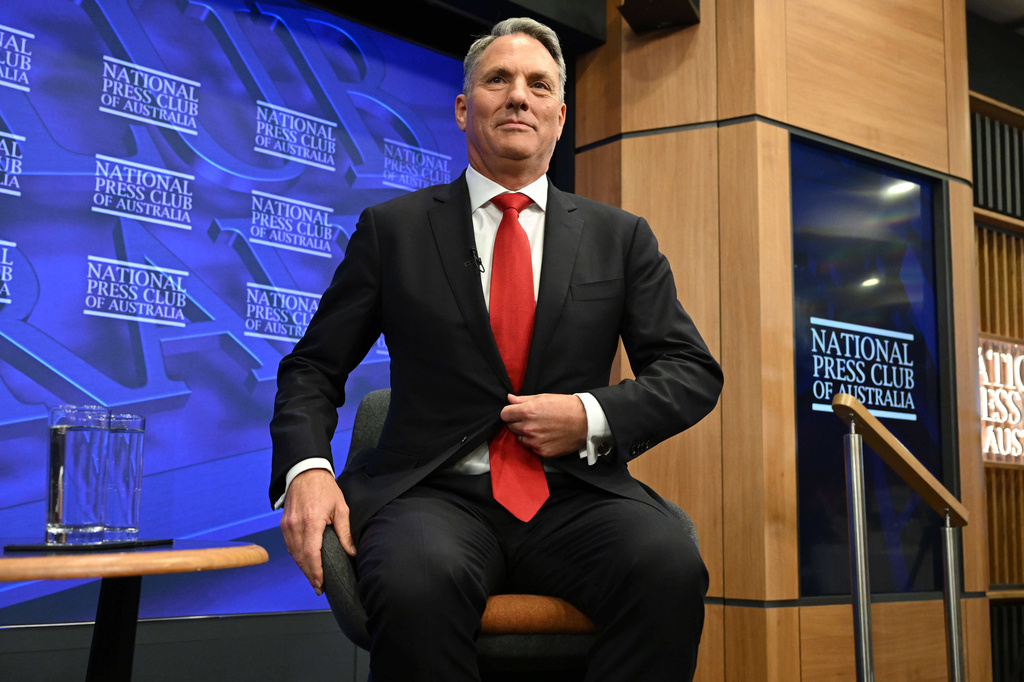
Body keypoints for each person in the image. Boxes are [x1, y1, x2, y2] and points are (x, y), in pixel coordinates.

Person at [269, 16, 723, 682]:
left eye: (538, 84)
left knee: (668, 568)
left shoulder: (620, 238)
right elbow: (313, 366)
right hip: (433, 496)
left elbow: (690, 371)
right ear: (462, 108)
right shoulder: (391, 231)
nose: (518, 95)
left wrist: (589, 417)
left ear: (559, 116)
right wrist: (306, 468)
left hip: (576, 496)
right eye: (497, 79)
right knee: (414, 584)